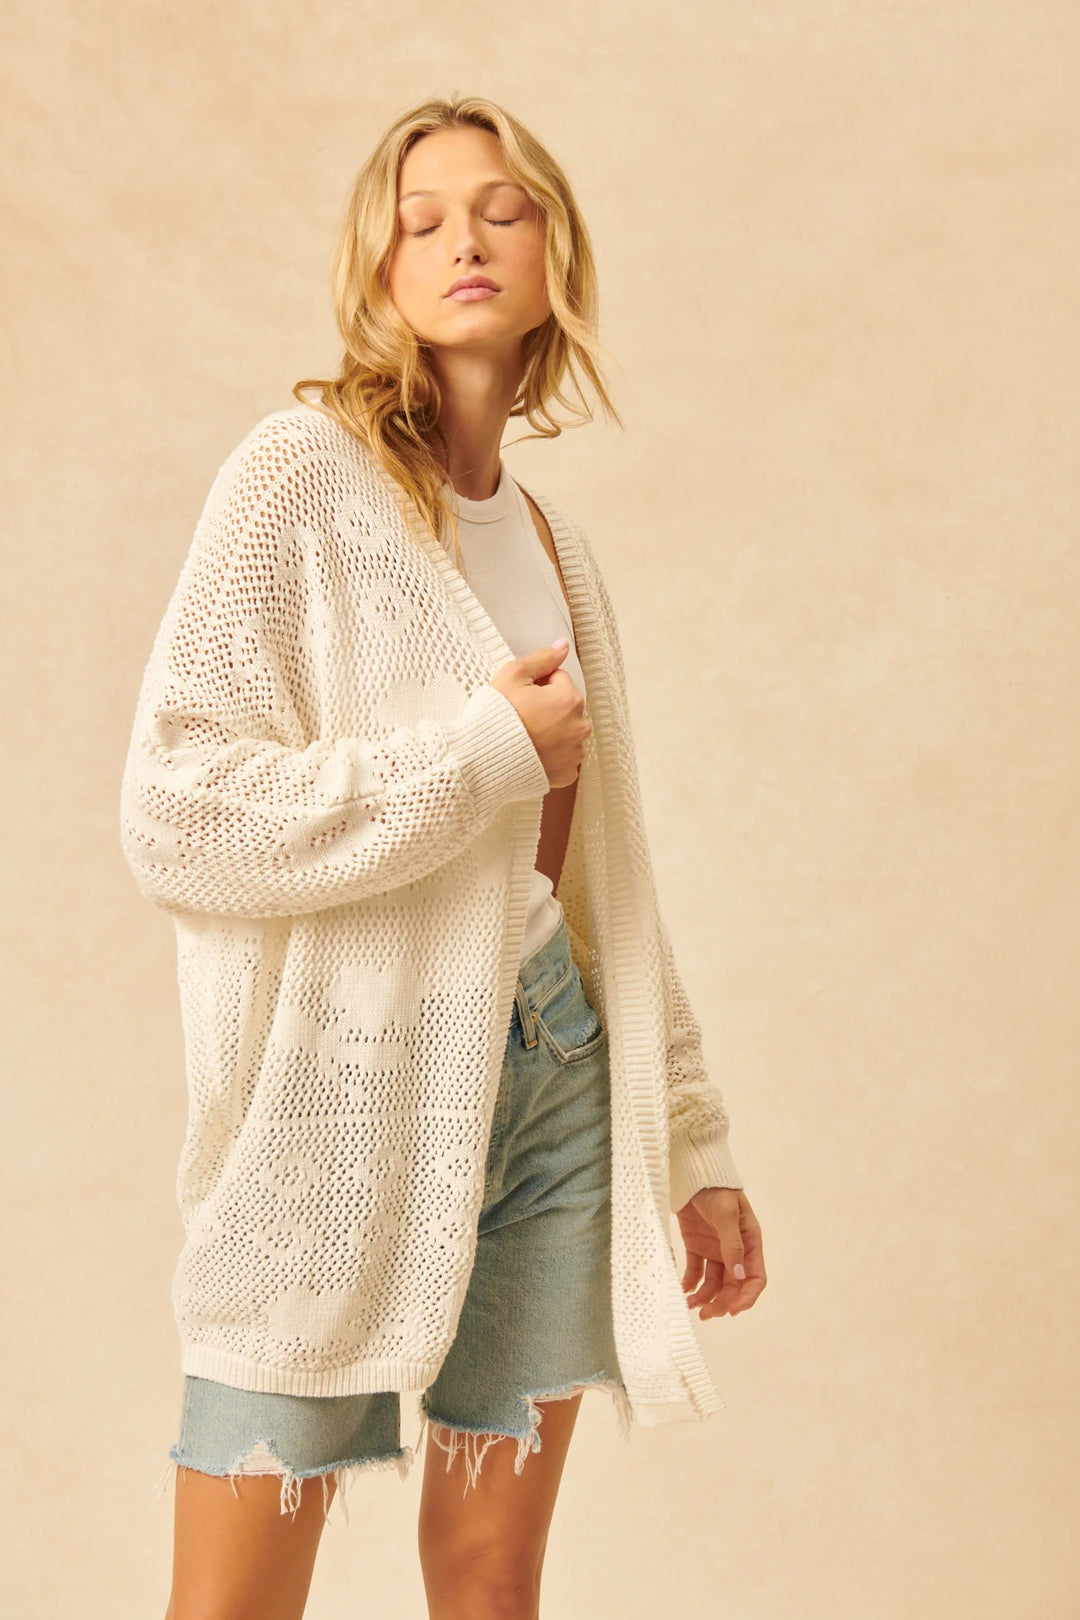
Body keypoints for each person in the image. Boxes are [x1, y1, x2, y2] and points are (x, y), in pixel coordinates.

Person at [119, 93, 767, 1620]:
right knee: (234, 1602)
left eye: (502, 210)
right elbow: (175, 811)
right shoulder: (298, 479)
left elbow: (604, 886)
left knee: (489, 1581)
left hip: (556, 1077)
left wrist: (691, 1142)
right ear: (382, 272)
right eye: (421, 221)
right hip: (343, 1086)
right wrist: (476, 755)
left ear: (554, 256)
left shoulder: (558, 549)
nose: (464, 239)